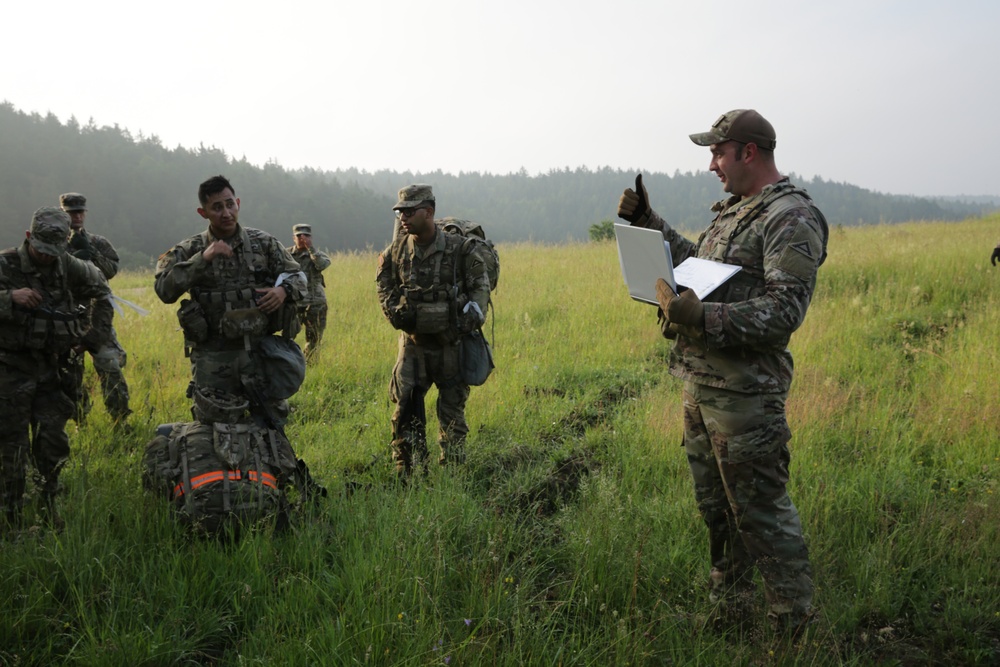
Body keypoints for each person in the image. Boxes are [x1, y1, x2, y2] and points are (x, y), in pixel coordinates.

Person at [617, 109, 829, 632]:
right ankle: (729, 611)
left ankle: (792, 625)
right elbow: (698, 268)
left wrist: (702, 316)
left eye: (718, 152)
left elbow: (785, 311)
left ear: (748, 152)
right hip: (703, 386)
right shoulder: (737, 211)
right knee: (717, 509)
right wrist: (651, 224)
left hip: (745, 397)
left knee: (761, 513)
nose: (712, 164)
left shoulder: (790, 217)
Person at [154, 175, 306, 427]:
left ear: (237, 203)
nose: (225, 213)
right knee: (215, 429)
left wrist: (283, 291)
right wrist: (203, 259)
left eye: (229, 204)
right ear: (203, 212)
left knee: (271, 427)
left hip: (261, 354)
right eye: (216, 207)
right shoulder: (190, 249)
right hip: (214, 361)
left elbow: (298, 274)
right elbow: (163, 289)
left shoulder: (264, 243)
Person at [0, 207, 113, 532]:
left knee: (52, 443)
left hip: (53, 370)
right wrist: (10, 297)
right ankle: (12, 520)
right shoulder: (5, 264)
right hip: (10, 370)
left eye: (54, 252)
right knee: (11, 445)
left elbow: (103, 293)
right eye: (40, 251)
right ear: (27, 238)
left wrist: (91, 337)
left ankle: (49, 509)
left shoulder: (72, 267)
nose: (46, 258)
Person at [376, 184, 491, 477]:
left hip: (451, 344)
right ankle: (407, 467)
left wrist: (471, 318)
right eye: (401, 211)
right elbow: (384, 282)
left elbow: (481, 284)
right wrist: (394, 313)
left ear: (429, 212)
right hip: (413, 346)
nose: (403, 217)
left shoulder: (460, 249)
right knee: (405, 407)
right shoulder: (397, 250)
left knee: (451, 412)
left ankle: (452, 471)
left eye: (410, 211)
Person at [59, 192, 132, 423]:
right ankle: (81, 420)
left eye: (80, 212)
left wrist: (92, 255)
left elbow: (111, 269)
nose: (76, 216)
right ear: (63, 214)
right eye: (71, 213)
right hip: (68, 316)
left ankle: (120, 419)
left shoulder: (99, 242)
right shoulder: (55, 245)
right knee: (70, 376)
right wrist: (72, 255)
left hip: (99, 316)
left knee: (111, 369)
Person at [288, 224, 331, 360]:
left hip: (315, 303)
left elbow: (322, 265)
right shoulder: (286, 255)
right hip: (294, 302)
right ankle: (289, 362)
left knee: (314, 338)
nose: (302, 238)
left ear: (311, 238)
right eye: (299, 235)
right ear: (293, 238)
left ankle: (310, 364)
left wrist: (311, 249)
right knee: (288, 335)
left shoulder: (317, 254)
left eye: (306, 235)